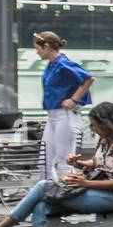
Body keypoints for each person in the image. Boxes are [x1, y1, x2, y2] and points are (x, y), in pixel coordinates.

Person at [33, 31, 93, 184]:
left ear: (46, 46)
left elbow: (88, 79)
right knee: (44, 161)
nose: (37, 51)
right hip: (54, 116)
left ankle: (71, 197)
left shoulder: (63, 63)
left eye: (38, 48)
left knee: (64, 161)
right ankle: (50, 194)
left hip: (64, 115)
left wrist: (73, 100)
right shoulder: (54, 65)